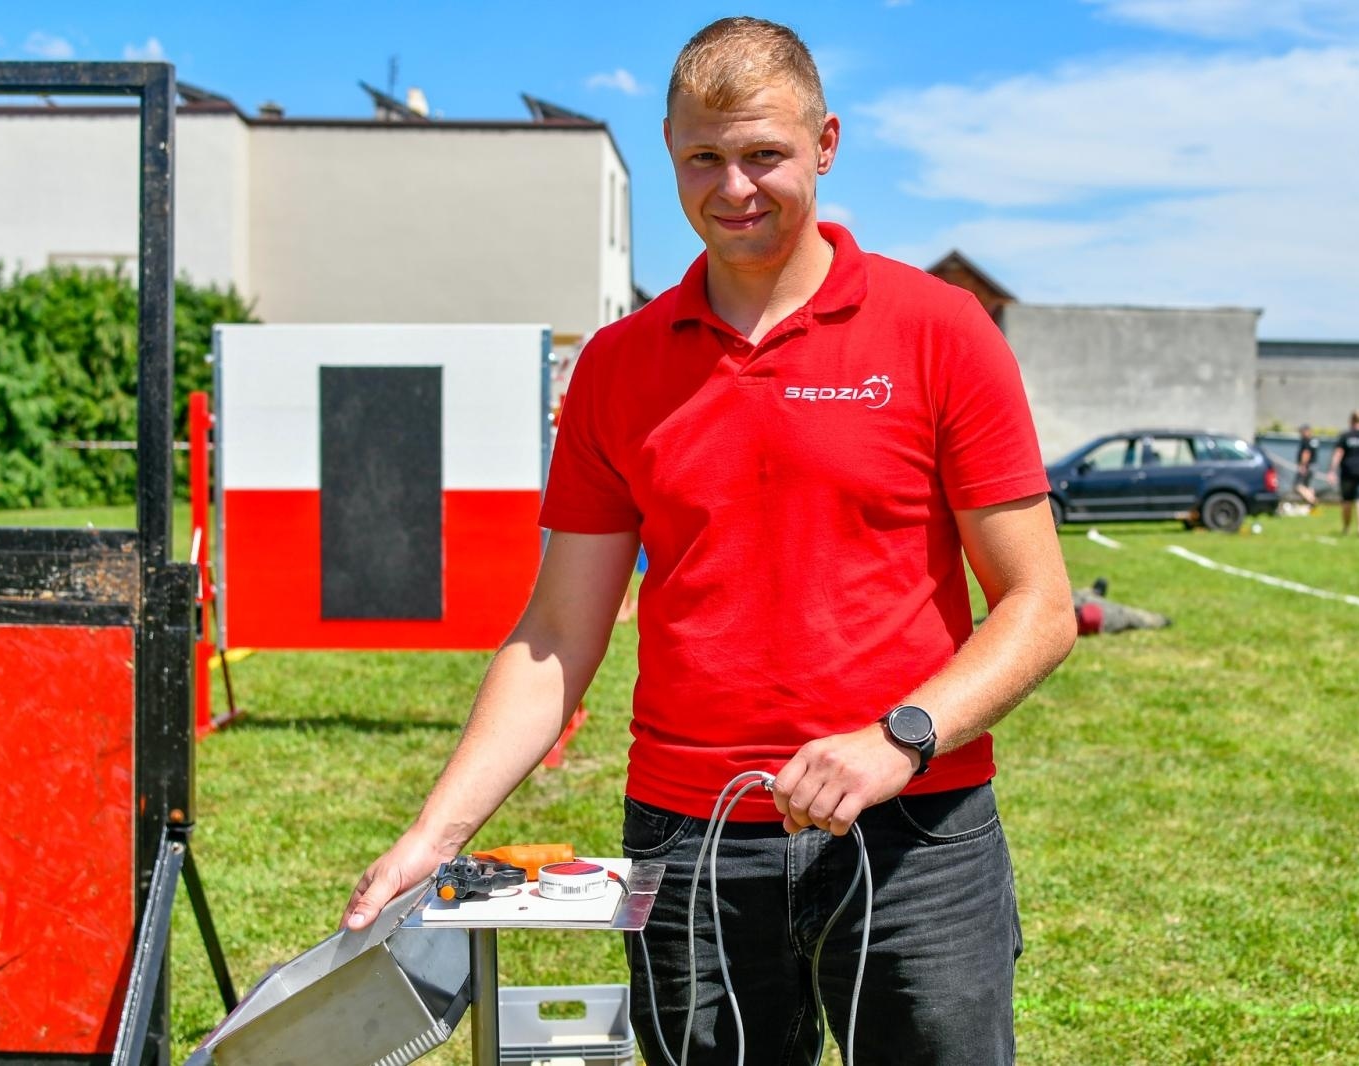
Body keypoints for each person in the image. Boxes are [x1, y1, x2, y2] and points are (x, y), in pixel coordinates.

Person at [342, 16, 1074, 1066]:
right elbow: (556, 632)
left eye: (764, 155)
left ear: (825, 143)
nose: (732, 188)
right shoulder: (618, 365)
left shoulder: (938, 330)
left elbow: (1038, 607)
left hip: (915, 830)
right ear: (671, 153)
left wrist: (898, 737)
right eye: (703, 158)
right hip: (691, 844)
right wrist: (437, 831)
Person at [1294, 424, 1320, 510]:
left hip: (1307, 466)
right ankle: (1311, 506)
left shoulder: (1306, 441)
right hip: (1314, 465)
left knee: (1297, 486)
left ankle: (1313, 501)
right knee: (1309, 486)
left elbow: (1306, 453)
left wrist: (1303, 465)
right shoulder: (1314, 440)